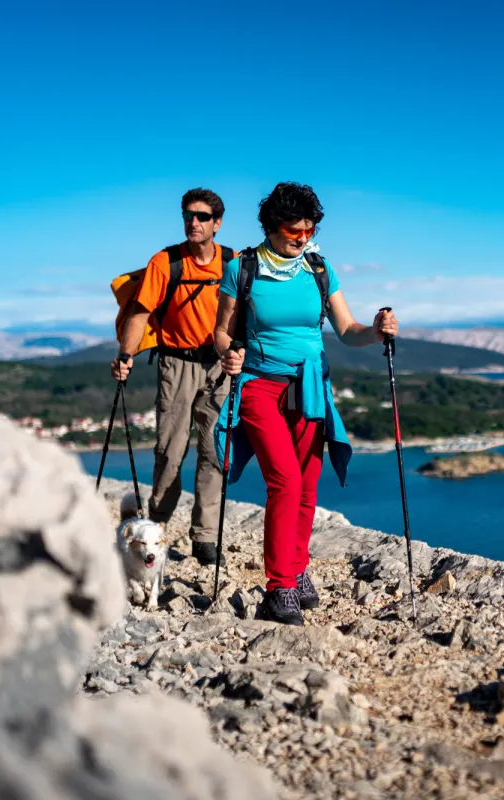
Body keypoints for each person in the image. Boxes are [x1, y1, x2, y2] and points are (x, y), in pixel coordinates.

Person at [213, 182, 398, 625]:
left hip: (311, 386)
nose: (302, 238)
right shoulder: (242, 268)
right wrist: (228, 352)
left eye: (309, 230)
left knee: (308, 484)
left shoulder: (318, 267)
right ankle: (279, 589)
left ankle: (297, 571)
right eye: (293, 231)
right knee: (284, 481)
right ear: (271, 227)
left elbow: (347, 330)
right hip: (259, 385)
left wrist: (375, 331)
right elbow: (221, 331)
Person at [111, 188, 233, 566]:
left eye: (201, 216)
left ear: (217, 223)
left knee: (215, 451)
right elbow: (140, 313)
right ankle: (156, 527)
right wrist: (126, 354)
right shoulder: (166, 262)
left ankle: (205, 538)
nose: (193, 222)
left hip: (219, 366)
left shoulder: (232, 262)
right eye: (187, 215)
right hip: (176, 364)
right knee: (170, 451)